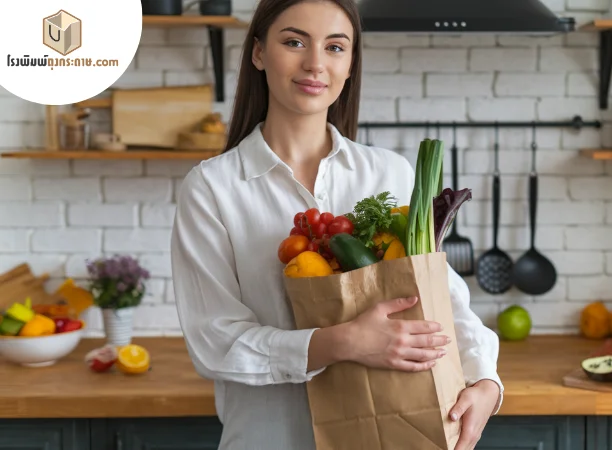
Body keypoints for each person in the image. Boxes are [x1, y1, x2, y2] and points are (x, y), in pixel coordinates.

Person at [170, 0, 504, 448]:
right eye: (293, 42)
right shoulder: (212, 188)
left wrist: (486, 381)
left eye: (335, 47)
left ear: (350, 65)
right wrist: (343, 342)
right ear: (258, 53)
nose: (314, 63)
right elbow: (215, 343)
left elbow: (445, 304)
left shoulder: (391, 174)